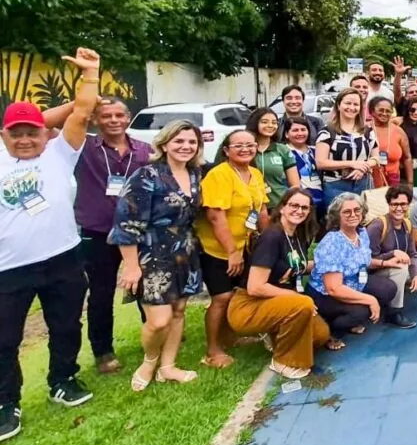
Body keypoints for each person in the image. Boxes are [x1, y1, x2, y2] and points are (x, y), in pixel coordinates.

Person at [0, 48, 100, 442]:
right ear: (3, 135)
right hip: (8, 267)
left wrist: (90, 73)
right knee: (5, 338)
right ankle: (7, 403)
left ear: (45, 132)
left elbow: (81, 110)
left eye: (32, 131)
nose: (25, 139)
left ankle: (63, 379)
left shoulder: (61, 153)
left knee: (65, 325)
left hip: (63, 259)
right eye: (16, 133)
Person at [110, 120, 204, 391]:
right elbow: (126, 223)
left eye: (191, 142)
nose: (186, 146)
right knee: (158, 320)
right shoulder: (146, 176)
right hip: (153, 254)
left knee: (178, 311)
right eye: (179, 141)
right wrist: (130, 267)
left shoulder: (195, 174)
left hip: (185, 251)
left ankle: (168, 367)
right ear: (164, 144)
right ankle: (150, 360)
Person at [74, 97, 152, 374]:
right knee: (101, 292)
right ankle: (103, 350)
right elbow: (59, 124)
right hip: (98, 231)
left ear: (128, 116)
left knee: (146, 285)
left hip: (137, 230)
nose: (114, 120)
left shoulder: (143, 150)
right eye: (106, 115)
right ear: (95, 119)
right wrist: (83, 100)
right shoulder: (83, 147)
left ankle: (154, 333)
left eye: (119, 115)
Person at [227, 188, 332, 379]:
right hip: (248, 305)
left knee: (320, 335)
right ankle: (283, 361)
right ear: (282, 207)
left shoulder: (297, 235)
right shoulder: (271, 237)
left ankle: (274, 332)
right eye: (294, 205)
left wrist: (329, 264)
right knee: (303, 305)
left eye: (304, 208)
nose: (299, 211)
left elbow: (296, 267)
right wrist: (295, 297)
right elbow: (255, 287)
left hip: (274, 301)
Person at [195, 129, 271, 368]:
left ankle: (230, 336)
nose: (245, 149)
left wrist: (268, 241)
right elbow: (216, 217)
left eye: (250, 145)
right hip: (217, 249)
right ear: (226, 150)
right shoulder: (219, 175)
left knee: (238, 294)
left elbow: (262, 210)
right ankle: (213, 350)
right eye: (238, 145)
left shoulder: (255, 173)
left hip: (245, 244)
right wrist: (232, 252)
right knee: (222, 297)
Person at [308, 193, 398, 344]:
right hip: (325, 294)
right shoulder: (332, 243)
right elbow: (333, 289)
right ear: (337, 216)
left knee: (388, 288)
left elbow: (364, 261)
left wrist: (386, 263)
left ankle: (348, 318)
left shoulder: (361, 233)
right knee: (362, 311)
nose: (353, 215)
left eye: (357, 210)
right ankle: (332, 330)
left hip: (354, 281)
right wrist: (370, 299)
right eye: (346, 212)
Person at [366, 186, 417, 328]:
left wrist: (416, 274)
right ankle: (393, 312)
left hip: (392, 269)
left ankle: (393, 295)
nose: (399, 208)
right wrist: (393, 254)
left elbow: (413, 253)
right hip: (373, 272)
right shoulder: (378, 225)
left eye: (403, 204)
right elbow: (367, 260)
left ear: (408, 205)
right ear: (388, 205)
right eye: (394, 204)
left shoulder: (407, 224)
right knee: (400, 268)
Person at [316, 89, 380, 211]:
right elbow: (321, 162)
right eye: (348, 103)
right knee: (337, 222)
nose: (352, 107)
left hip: (364, 183)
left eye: (356, 104)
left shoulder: (367, 131)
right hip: (335, 185)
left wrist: (364, 167)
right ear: (339, 105)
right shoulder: (327, 132)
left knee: (363, 220)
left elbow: (376, 158)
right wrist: (351, 163)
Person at [245, 108, 299, 210]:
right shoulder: (245, 149)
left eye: (274, 123)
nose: (270, 125)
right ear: (254, 123)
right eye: (264, 122)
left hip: (277, 206)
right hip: (250, 205)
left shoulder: (282, 149)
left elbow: (295, 185)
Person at [369, 96, 412, 186]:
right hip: (369, 183)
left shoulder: (398, 131)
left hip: (393, 182)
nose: (384, 113)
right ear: (372, 111)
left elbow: (407, 158)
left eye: (388, 111)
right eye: (381, 110)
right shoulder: (364, 129)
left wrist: (410, 183)